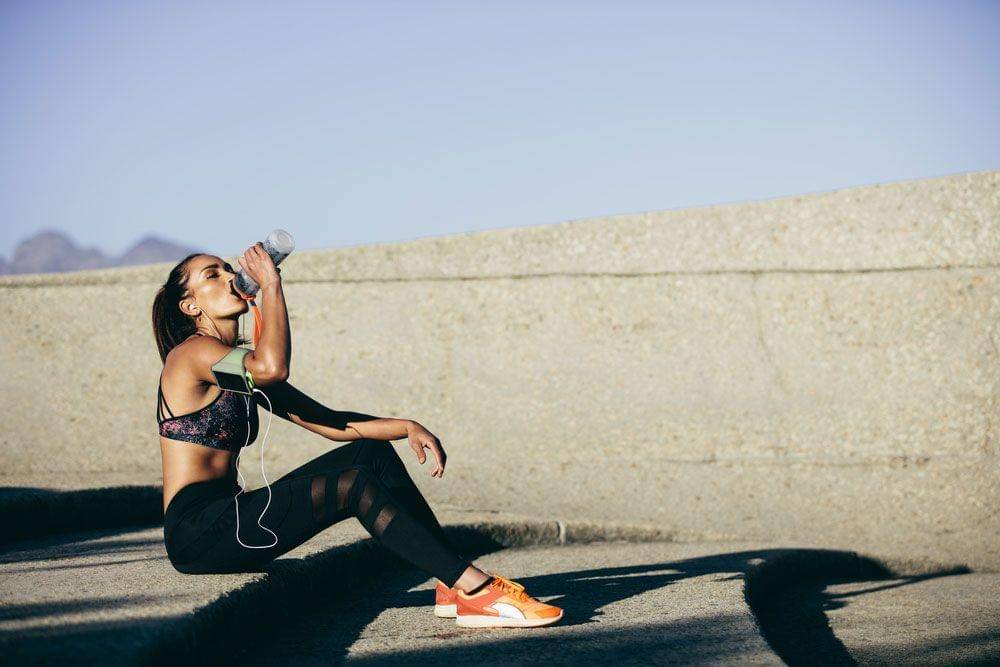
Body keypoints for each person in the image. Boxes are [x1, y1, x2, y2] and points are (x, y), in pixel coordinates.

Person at [151, 243, 563, 628]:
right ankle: (475, 588)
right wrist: (272, 285)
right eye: (212, 275)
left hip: (230, 515)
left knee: (370, 453)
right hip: (198, 532)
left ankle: (451, 582)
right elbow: (273, 367)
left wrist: (405, 426)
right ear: (190, 305)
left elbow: (331, 423)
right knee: (352, 484)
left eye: (227, 268)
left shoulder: (233, 366)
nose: (229, 276)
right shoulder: (190, 354)